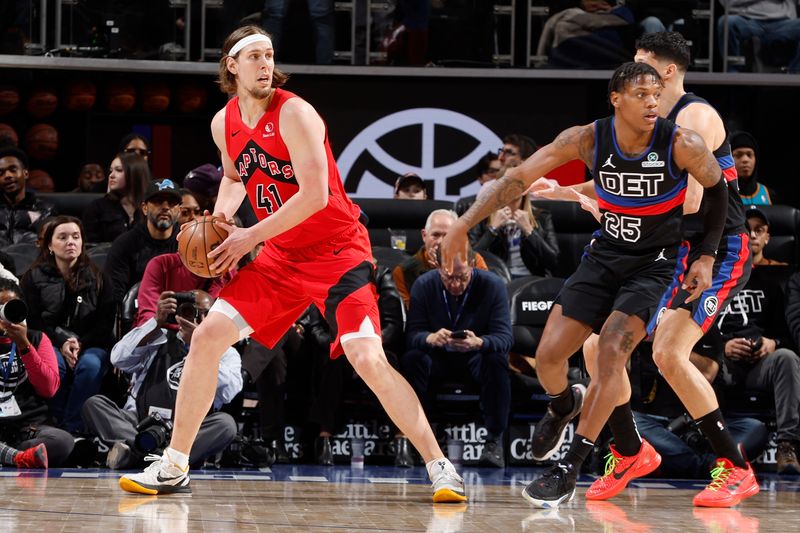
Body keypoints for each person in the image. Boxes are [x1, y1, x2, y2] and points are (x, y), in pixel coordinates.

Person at [119, 25, 466, 503]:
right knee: (207, 337)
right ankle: (175, 464)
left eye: (270, 55)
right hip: (281, 259)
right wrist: (219, 222)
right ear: (231, 66)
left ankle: (440, 467)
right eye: (254, 57)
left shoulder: (297, 113)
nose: (265, 64)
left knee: (368, 359)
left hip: (338, 254)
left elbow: (316, 196)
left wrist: (247, 238)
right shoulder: (224, 123)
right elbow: (238, 176)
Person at [441, 61, 729, 508]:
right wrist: (463, 223)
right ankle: (561, 404)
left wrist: (707, 256)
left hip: (654, 264)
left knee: (612, 350)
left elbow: (718, 192)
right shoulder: (588, 139)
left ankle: (570, 466)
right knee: (549, 357)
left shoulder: (681, 142)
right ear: (616, 99)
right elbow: (518, 177)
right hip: (604, 255)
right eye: (641, 95)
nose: (653, 102)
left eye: (657, 94)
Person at [551, 32, 757, 507]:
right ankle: (629, 450)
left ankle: (735, 467)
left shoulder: (695, 116)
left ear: (665, 71)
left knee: (668, 352)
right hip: (668, 246)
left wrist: (621, 213)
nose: (634, 72)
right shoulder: (650, 122)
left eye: (641, 63)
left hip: (715, 247)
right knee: (596, 345)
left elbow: (690, 201)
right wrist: (568, 192)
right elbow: (628, 181)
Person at [82, 290, 241, 469]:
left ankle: (139, 455)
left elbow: (230, 391)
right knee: (94, 404)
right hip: (140, 423)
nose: (200, 319)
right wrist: (156, 322)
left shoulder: (224, 351)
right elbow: (118, 358)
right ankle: (163, 459)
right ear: (179, 313)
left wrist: (202, 348)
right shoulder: (157, 338)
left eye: (207, 314)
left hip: (188, 431)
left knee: (226, 424)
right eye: (192, 312)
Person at [403, 247, 513, 467]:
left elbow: (505, 338)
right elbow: (411, 336)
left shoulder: (493, 285)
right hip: (438, 356)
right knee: (413, 359)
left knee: (496, 360)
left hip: (475, 356)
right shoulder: (424, 285)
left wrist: (480, 342)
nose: (455, 285)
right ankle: (422, 438)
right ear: (438, 268)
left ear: (473, 266)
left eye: (462, 278)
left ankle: (494, 441)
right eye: (448, 278)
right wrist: (430, 338)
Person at [716, 208, 799, 474]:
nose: (751, 234)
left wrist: (772, 342)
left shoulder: (773, 283)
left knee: (786, 357)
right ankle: (704, 441)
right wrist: (722, 347)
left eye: (758, 229)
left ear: (767, 238)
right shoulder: (715, 278)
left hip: (757, 366)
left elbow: (787, 334)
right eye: (746, 228)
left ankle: (787, 445)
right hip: (718, 361)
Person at [21, 216, 115, 434]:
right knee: (56, 365)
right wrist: (62, 342)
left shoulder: (100, 278)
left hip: (91, 343)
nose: (70, 242)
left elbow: (104, 324)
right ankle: (54, 423)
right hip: (49, 341)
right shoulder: (32, 278)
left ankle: (74, 428)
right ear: (50, 246)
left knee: (90, 366)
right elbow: (34, 321)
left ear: (82, 243)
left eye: (75, 237)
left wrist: (78, 343)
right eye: (62, 237)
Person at [0, 278, 74, 466]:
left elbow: (48, 389)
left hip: (27, 427)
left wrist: (24, 345)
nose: (4, 314)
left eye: (10, 306)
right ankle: (19, 457)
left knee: (63, 442)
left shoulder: (37, 338)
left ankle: (8, 453)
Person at [104, 178, 181, 306]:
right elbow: (114, 297)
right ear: (144, 208)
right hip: (138, 316)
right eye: (158, 201)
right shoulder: (125, 244)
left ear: (179, 211)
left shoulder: (188, 244)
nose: (165, 207)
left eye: (172, 203)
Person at [392, 209, 489, 308]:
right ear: (424, 236)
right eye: (435, 235)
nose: (441, 242)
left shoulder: (474, 261)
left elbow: (483, 304)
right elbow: (412, 315)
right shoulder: (403, 272)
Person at [468, 190, 559, 278]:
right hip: (497, 276)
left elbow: (553, 262)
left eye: (517, 183)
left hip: (531, 278)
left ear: (525, 189)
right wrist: (492, 229)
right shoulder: (482, 218)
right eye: (508, 183)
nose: (512, 188)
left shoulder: (542, 218)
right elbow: (471, 258)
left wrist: (529, 230)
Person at [135, 252, 236, 328]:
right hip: (165, 339)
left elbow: (238, 329)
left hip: (210, 342)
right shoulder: (161, 264)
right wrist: (158, 319)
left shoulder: (229, 273)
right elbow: (145, 323)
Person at [82, 152, 152, 243]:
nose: (111, 175)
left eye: (118, 170)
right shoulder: (97, 208)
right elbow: (91, 248)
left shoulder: (150, 207)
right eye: (111, 171)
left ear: (135, 173)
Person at [717, 0, 800, 73]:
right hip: (748, 21)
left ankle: (795, 74)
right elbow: (728, 3)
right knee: (726, 22)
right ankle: (732, 75)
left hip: (784, 23)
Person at [0, 144, 56, 248]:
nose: (7, 175)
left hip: (31, 261)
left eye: (13, 170)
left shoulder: (46, 209)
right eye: (1, 173)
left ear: (25, 173)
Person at [730, 130, 777, 205]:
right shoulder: (723, 195)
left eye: (749, 155)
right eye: (738, 155)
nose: (745, 160)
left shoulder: (769, 194)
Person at [455, 151, 501, 216]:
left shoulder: (513, 203)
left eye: (501, 172)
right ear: (480, 178)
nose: (497, 177)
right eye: (491, 172)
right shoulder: (465, 205)